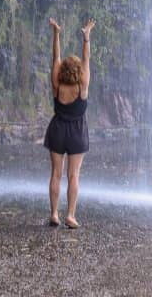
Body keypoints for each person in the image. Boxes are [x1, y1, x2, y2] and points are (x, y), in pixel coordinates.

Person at [44, 16, 95, 228]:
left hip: (57, 129)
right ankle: (70, 215)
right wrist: (86, 38)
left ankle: (54, 213)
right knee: (73, 175)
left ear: (64, 69)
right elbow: (86, 60)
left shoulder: (57, 83)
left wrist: (56, 33)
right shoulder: (82, 85)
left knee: (56, 173)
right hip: (77, 131)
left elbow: (55, 58)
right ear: (79, 71)